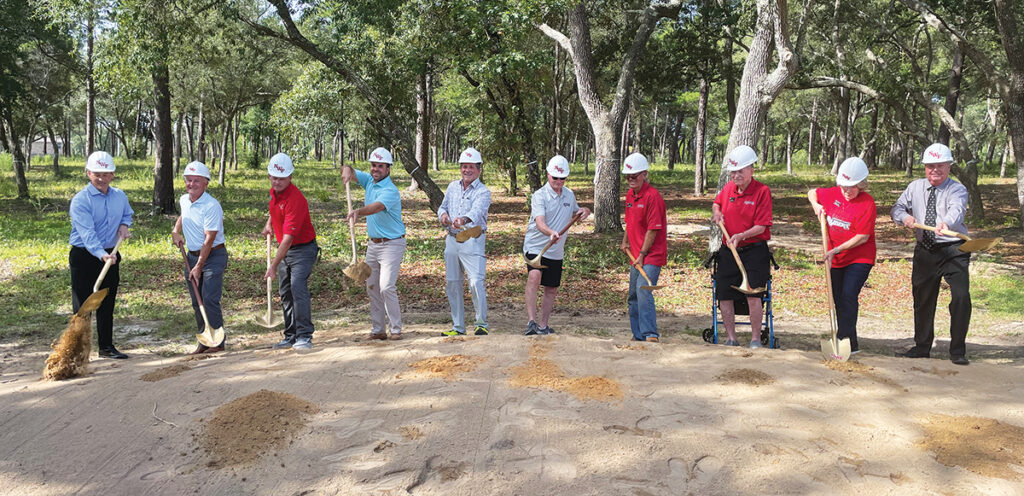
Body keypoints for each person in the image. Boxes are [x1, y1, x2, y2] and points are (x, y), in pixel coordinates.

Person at [891, 143, 972, 365]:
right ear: (925, 167)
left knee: (961, 297)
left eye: (940, 165)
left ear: (948, 166)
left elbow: (957, 208)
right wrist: (904, 218)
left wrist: (946, 222)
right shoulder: (914, 187)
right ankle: (922, 346)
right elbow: (897, 208)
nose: (934, 170)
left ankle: (957, 351)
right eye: (930, 166)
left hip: (954, 249)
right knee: (923, 299)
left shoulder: (957, 189)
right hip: (925, 251)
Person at [807, 157, 876, 355]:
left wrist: (835, 250)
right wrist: (815, 205)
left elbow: (862, 237)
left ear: (861, 185)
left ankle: (842, 339)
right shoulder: (833, 194)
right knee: (838, 298)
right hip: (835, 258)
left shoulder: (867, 203)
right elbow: (812, 193)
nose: (846, 191)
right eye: (844, 186)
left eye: (852, 188)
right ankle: (851, 343)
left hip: (859, 257)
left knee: (848, 295)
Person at [69, 151, 134, 359]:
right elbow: (86, 234)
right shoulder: (81, 201)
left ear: (112, 174)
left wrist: (124, 226)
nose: (101, 178)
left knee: (107, 302)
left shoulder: (120, 196)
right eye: (97, 173)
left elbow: (127, 214)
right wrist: (100, 254)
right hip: (84, 256)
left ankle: (106, 347)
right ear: (88, 173)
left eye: (105, 174)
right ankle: (79, 352)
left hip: (110, 254)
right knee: (83, 306)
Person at [711, 145, 773, 349]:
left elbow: (762, 226)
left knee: (753, 294)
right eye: (733, 171)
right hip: (729, 250)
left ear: (751, 170)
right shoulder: (729, 188)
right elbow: (717, 203)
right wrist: (717, 212)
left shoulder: (762, 191)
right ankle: (731, 338)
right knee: (724, 293)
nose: (736, 175)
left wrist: (741, 235)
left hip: (754, 250)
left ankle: (755, 338)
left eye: (740, 171)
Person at [342, 147, 407, 340]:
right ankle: (378, 330)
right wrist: (346, 169)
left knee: (386, 286)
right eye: (373, 165)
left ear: (388, 168)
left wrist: (358, 212)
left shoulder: (391, 191)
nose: (375, 169)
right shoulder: (369, 180)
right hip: (373, 244)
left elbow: (377, 207)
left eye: (380, 166)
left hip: (392, 244)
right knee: (372, 286)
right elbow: (349, 171)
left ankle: (395, 329)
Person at [523, 155, 591, 336]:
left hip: (556, 250)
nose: (559, 181)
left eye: (563, 178)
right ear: (548, 175)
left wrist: (584, 211)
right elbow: (539, 222)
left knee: (551, 288)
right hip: (536, 246)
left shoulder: (569, 194)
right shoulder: (539, 196)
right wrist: (550, 232)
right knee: (534, 277)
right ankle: (531, 322)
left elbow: (575, 212)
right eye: (555, 177)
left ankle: (543, 326)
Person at [263, 153, 319, 351]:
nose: (276, 181)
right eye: (273, 177)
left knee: (297, 287)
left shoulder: (296, 199)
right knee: (285, 291)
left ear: (290, 177)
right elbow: (276, 209)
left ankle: (304, 335)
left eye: (281, 178)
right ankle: (290, 335)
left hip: (303, 249)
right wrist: (270, 222)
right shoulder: (274, 192)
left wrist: (273, 265)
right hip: (285, 248)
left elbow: (287, 240)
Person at [171, 162, 228, 354]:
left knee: (209, 298)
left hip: (213, 256)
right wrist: (175, 231)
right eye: (188, 180)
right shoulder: (184, 200)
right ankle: (204, 340)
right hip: (192, 256)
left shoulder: (212, 206)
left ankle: (218, 342)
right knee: (197, 300)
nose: (192, 184)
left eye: (197, 181)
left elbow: (209, 239)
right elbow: (183, 215)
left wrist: (199, 266)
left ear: (206, 183)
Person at [438, 147, 492, 337]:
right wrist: (443, 216)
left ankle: (481, 323)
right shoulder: (452, 187)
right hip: (452, 239)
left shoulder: (483, 192)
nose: (466, 170)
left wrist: (463, 219)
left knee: (476, 282)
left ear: (478, 169)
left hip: (472, 240)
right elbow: (442, 207)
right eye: (463, 166)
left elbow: (477, 212)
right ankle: (458, 326)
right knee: (453, 283)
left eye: (471, 167)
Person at [619, 152, 667, 343]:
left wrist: (642, 254)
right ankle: (637, 334)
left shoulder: (653, 197)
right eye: (628, 177)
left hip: (651, 255)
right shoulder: (630, 195)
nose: (631, 180)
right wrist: (625, 241)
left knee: (643, 289)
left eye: (635, 176)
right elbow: (630, 222)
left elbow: (653, 230)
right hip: (636, 254)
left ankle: (650, 334)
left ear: (644, 174)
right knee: (632, 295)